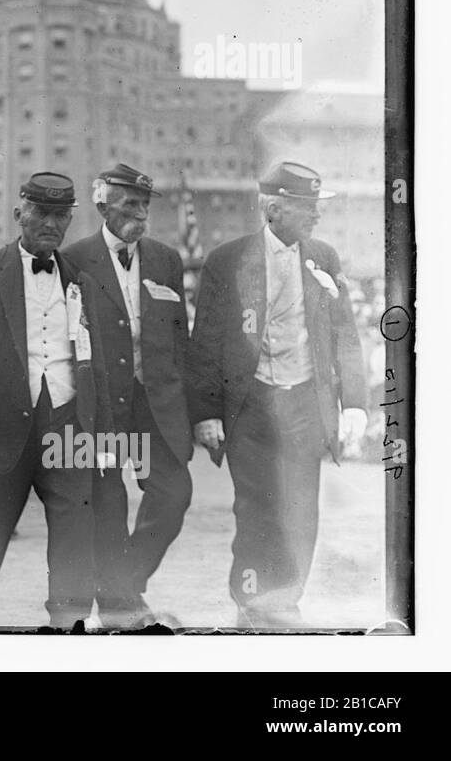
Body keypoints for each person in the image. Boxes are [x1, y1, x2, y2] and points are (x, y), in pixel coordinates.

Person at [188, 161, 367, 628]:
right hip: (250, 405)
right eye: (306, 206)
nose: (316, 216)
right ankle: (250, 598)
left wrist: (357, 405)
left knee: (301, 505)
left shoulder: (324, 256)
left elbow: (345, 334)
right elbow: (205, 342)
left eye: (316, 206)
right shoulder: (227, 261)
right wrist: (206, 413)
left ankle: (287, 599)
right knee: (255, 505)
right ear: (273, 208)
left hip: (306, 402)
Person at [0, 172, 99, 628]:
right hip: (0, 431)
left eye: (60, 215)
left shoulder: (81, 280)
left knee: (75, 532)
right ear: (19, 214)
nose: (50, 223)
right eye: (41, 212)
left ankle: (69, 629)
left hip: (69, 426)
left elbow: (95, 360)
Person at [64, 163, 192, 627]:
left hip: (156, 403)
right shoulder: (73, 259)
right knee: (107, 501)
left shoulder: (165, 259)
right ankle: (119, 604)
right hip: (100, 404)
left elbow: (180, 338)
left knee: (174, 493)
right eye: (129, 204)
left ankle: (126, 583)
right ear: (102, 206)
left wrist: (194, 410)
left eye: (145, 205)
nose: (140, 214)